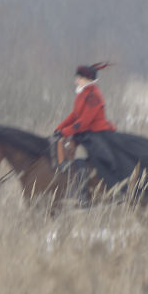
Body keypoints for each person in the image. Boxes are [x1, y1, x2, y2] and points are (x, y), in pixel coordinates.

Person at [53, 62, 117, 205]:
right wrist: (59, 128)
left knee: (79, 157)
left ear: (87, 79)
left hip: (96, 135)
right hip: (85, 133)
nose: (76, 81)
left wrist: (64, 132)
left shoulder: (94, 96)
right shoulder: (84, 93)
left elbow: (84, 122)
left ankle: (83, 195)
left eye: (79, 78)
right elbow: (75, 115)